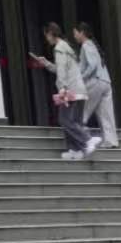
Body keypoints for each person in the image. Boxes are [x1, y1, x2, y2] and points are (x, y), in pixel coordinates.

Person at [29, 23, 101, 162]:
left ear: (50, 33)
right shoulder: (66, 47)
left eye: (46, 36)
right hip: (79, 89)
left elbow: (61, 71)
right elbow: (62, 68)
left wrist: (62, 88)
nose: (47, 39)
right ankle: (75, 150)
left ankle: (87, 139)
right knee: (73, 121)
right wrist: (46, 63)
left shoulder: (59, 48)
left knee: (64, 120)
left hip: (70, 90)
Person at [72, 23, 119, 149]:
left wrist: (81, 78)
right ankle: (111, 141)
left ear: (82, 33)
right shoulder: (93, 45)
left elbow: (92, 66)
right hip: (105, 82)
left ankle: (81, 139)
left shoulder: (86, 45)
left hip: (95, 81)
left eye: (75, 33)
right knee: (106, 114)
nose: (74, 36)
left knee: (82, 112)